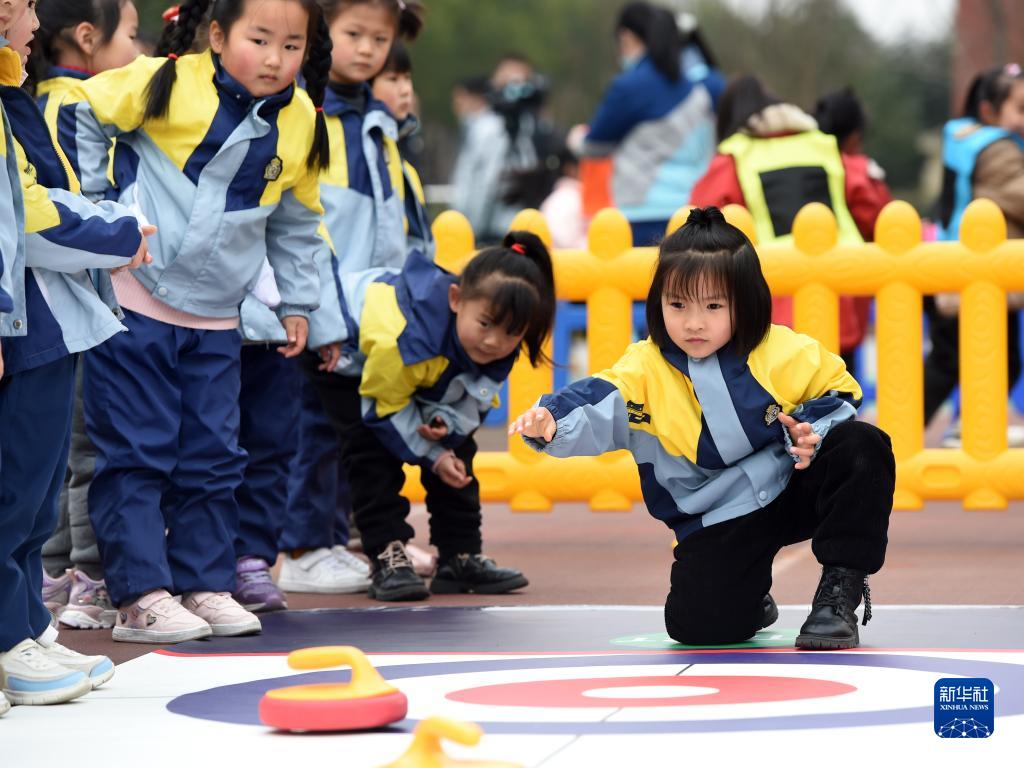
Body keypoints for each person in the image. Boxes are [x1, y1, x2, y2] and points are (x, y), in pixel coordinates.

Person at [54, 0, 333, 643]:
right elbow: (81, 109)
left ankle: (204, 582)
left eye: (291, 46)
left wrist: (298, 302)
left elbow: (295, 218)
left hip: (215, 316)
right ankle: (140, 596)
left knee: (214, 455)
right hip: (135, 299)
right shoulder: (166, 81)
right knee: (137, 450)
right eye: (258, 39)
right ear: (216, 35)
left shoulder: (299, 121)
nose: (274, 59)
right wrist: (99, 210)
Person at [511, 207, 895, 650]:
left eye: (714, 306)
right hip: (719, 518)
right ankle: (749, 597)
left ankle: (839, 595)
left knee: (863, 444)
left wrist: (811, 429)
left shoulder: (784, 350)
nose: (694, 322)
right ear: (659, 302)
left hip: (794, 487)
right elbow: (597, 396)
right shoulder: (643, 369)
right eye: (678, 305)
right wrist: (551, 420)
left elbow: (841, 393)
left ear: (745, 301)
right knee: (696, 627)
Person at [1, 0, 150, 709]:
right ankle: (6, 641)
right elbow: (27, 217)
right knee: (12, 493)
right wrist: (121, 231)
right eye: (25, 6)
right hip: (17, 321)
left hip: (46, 321)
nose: (33, 21)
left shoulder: (12, 96)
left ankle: (24, 627)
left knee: (34, 497)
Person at [305, 233, 556, 601]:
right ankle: (387, 555)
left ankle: (459, 555)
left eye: (510, 333)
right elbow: (383, 408)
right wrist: (433, 455)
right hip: (346, 357)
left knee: (458, 451)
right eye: (485, 324)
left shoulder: (494, 346)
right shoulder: (403, 337)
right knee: (371, 453)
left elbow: (472, 401)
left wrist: (446, 428)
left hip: (418, 364)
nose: (493, 342)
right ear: (456, 299)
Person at [273, 0, 426, 597]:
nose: (367, 48)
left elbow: (393, 228)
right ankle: (306, 545)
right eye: (353, 34)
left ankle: (336, 539)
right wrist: (322, 311)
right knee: (313, 427)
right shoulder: (309, 117)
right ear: (321, 33)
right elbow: (310, 227)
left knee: (354, 430)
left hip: (372, 307)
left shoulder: (376, 122)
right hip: (320, 308)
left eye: (379, 38)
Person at [29, 0, 142, 631]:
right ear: (88, 36)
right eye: (131, 34)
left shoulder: (30, 96)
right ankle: (90, 580)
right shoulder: (84, 104)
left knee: (56, 452)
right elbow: (87, 199)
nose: (140, 47)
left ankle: (48, 575)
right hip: (83, 294)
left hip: (45, 299)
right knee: (92, 445)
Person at [690, 75, 878, 361]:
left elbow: (699, 224)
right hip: (840, 297)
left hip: (771, 305)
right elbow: (871, 209)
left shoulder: (734, 157)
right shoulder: (824, 147)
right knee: (838, 396)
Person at [573, 2, 724, 246]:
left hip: (642, 217)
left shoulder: (628, 87)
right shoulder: (704, 88)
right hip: (697, 215)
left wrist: (576, 138)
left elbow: (595, 147)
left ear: (627, 37)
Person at [926, 65, 1024, 436]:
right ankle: (902, 433)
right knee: (955, 362)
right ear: (988, 111)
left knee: (977, 360)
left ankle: (968, 427)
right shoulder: (996, 150)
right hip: (973, 275)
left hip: (971, 271)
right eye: (1020, 109)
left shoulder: (968, 141)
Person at [813, 85, 893, 371]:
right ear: (855, 137)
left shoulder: (800, 163)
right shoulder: (857, 170)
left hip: (796, 293)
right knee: (843, 377)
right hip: (847, 289)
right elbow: (882, 219)